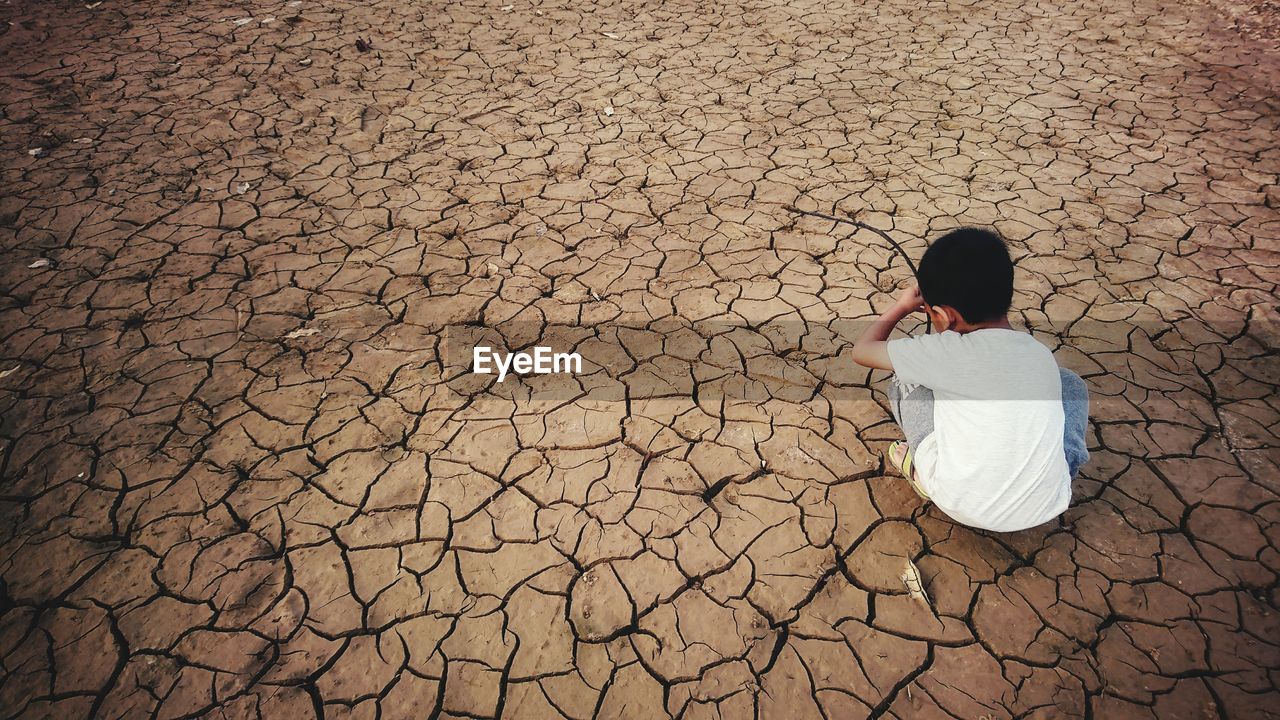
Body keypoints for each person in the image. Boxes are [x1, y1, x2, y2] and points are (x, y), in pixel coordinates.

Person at [850, 227, 1089, 532]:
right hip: (1048, 502)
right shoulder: (1039, 354)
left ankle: (922, 470)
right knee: (1068, 383)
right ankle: (1065, 467)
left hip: (960, 502)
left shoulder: (943, 351)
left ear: (943, 316)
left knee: (904, 382)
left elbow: (863, 351)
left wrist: (901, 306)